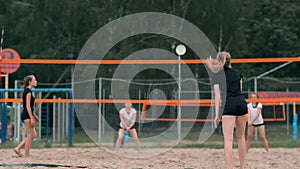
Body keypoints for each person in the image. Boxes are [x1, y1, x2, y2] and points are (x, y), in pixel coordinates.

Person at [207, 52, 248, 169]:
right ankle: (242, 166)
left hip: (228, 105)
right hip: (241, 104)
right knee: (241, 137)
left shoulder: (217, 76)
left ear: (219, 61)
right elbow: (239, 90)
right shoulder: (237, 73)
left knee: (228, 139)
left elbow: (217, 97)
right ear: (230, 61)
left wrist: (217, 115)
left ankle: (228, 167)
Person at [13, 75, 40, 157]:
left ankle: (18, 148)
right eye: (34, 80)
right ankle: (27, 154)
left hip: (28, 114)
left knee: (33, 135)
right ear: (30, 82)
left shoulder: (28, 91)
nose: (36, 81)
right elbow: (27, 106)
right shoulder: (28, 92)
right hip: (27, 115)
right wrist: (31, 118)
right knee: (30, 135)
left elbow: (29, 107)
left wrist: (34, 116)